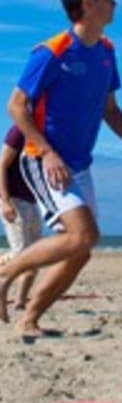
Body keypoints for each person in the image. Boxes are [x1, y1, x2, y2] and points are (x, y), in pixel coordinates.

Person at [0, 0, 122, 336]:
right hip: (43, 160)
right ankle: (5, 273)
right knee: (82, 236)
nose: (115, 2)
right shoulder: (52, 51)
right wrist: (47, 153)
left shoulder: (107, 52)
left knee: (81, 249)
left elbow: (110, 110)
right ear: (88, 3)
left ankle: (29, 319)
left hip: (79, 164)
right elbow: (16, 107)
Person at [1, 124, 43, 309]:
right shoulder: (19, 131)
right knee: (23, 255)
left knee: (36, 255)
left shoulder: (47, 132)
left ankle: (20, 301)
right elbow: (1, 165)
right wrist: (4, 201)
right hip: (14, 200)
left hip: (33, 201)